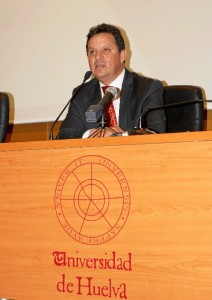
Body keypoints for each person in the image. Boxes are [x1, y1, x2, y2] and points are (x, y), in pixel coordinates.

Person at [57, 23, 166, 139]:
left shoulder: (147, 89)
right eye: (92, 52)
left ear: (122, 55)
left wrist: (120, 136)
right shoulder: (81, 94)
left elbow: (156, 135)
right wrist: (92, 134)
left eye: (106, 50)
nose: (98, 57)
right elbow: (63, 136)